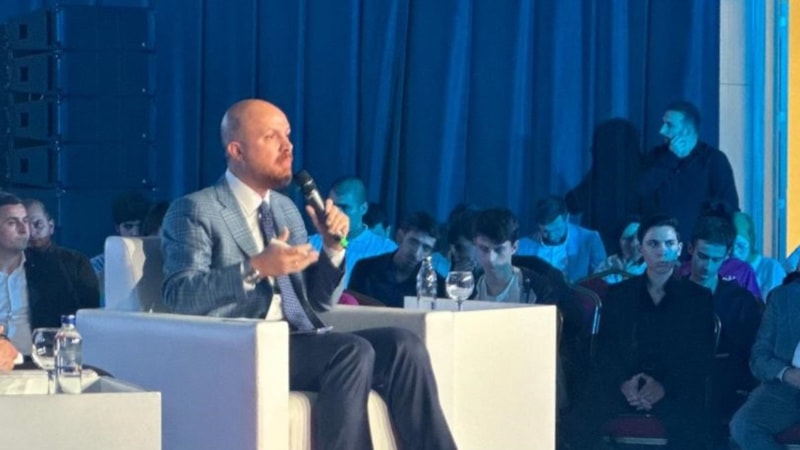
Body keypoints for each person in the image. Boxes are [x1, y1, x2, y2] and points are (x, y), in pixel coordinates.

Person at [160, 99, 455, 450]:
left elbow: (316, 302)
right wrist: (256, 267)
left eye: (287, 135)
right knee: (351, 351)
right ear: (237, 150)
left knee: (404, 346)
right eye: (271, 137)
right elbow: (179, 295)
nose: (288, 146)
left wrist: (332, 248)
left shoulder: (285, 209)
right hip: (241, 345)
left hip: (299, 338)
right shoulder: (196, 209)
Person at [564, 214, 715, 449]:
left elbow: (700, 356)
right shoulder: (619, 294)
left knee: (694, 428)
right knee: (577, 421)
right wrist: (624, 384)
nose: (662, 251)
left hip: (675, 387)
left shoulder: (698, 298)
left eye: (669, 244)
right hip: (625, 383)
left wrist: (663, 387)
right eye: (653, 244)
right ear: (641, 249)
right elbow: (606, 349)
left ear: (679, 248)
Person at [686, 206, 762, 424]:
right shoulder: (671, 295)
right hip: (680, 382)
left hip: (726, 386)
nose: (707, 266)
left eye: (715, 259)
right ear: (690, 249)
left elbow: (751, 356)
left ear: (727, 256)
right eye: (702, 256)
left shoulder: (741, 301)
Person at [0, 192, 99, 358]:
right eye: (12, 223)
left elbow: (80, 324)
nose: (25, 230)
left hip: (36, 362)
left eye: (25, 221)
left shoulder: (53, 268)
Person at [637, 100, 739, 246]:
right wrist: (670, 159)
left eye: (669, 125)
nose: (662, 131)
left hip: (698, 246)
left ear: (687, 131)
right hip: (660, 246)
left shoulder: (713, 160)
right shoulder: (655, 157)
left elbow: (729, 206)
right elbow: (641, 191)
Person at [729, 277, 800, 449]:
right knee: (743, 426)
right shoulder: (782, 298)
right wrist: (786, 374)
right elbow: (759, 356)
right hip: (787, 387)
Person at [308, 177, 397, 287]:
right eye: (333, 206)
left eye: (344, 207)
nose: (337, 212)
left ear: (363, 208)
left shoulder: (386, 249)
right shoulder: (311, 244)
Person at [349, 212, 446, 308]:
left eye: (426, 248)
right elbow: (350, 307)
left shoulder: (436, 284)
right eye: (413, 242)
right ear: (400, 238)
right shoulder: (365, 268)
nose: (416, 253)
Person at [22, 198, 100, 310]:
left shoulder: (76, 261)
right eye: (25, 226)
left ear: (51, 226)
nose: (32, 233)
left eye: (38, 224)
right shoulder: (10, 265)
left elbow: (91, 308)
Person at [517, 195, 606, 282]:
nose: (552, 236)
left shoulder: (589, 239)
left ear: (567, 218)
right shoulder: (522, 246)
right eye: (545, 231)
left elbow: (602, 279)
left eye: (557, 229)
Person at [732, 211, 786, 301]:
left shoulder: (772, 269)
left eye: (739, 243)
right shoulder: (723, 268)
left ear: (751, 237)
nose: (734, 251)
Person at [593, 216, 646, 284]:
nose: (632, 244)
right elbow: (594, 285)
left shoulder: (651, 264)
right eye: (628, 238)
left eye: (638, 239)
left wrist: (622, 274)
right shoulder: (609, 262)